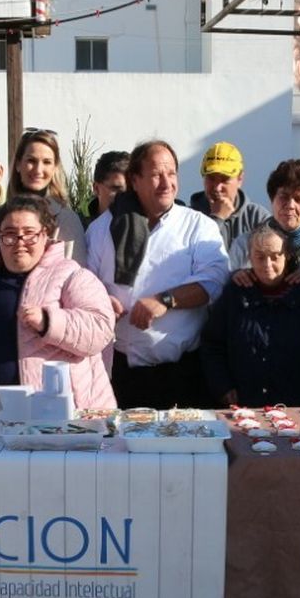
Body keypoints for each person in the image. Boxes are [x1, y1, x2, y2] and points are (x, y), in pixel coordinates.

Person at [85, 140, 228, 408]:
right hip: (121, 376)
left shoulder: (198, 226)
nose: (166, 183)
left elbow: (214, 281)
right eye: (155, 174)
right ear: (134, 180)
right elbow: (86, 284)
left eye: (171, 173)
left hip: (183, 375)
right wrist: (102, 301)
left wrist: (165, 300)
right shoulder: (102, 229)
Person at [0, 195, 116, 410]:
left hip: (62, 415)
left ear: (45, 235)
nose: (19, 242)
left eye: (29, 234)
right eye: (10, 234)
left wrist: (49, 321)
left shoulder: (71, 275)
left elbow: (101, 328)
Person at [204, 225, 300, 406]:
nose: (267, 265)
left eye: (275, 256)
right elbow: (213, 345)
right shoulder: (235, 293)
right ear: (249, 258)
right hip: (245, 405)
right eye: (260, 257)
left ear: (287, 256)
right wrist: (223, 388)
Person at [230, 159, 300, 301]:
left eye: (299, 199)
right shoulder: (243, 245)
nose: (290, 205)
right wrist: (234, 278)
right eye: (284, 197)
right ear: (272, 200)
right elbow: (226, 302)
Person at [0, 129, 86, 264]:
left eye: (47, 162)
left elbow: (76, 276)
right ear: (18, 164)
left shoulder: (66, 220)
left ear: (55, 167)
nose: (38, 170)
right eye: (31, 161)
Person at [190, 141, 268, 248]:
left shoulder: (257, 218)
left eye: (224, 179)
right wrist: (217, 218)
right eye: (211, 178)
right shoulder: (189, 217)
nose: (217, 187)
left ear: (240, 179)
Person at [83, 150, 130, 228]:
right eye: (116, 189)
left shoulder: (147, 230)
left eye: (130, 190)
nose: (125, 196)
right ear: (96, 188)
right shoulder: (79, 231)